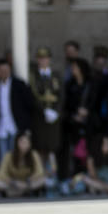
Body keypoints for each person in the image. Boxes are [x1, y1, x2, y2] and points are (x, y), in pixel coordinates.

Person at [0, 59, 36, 165]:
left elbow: (30, 104)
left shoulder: (19, 84)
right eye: (1, 70)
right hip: (1, 126)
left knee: (16, 154)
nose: (4, 73)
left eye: (6, 70)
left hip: (16, 125)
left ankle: (16, 177)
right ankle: (4, 178)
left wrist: (26, 124)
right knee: (2, 156)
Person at [30, 46, 63, 176]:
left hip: (54, 117)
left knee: (52, 148)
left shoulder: (56, 75)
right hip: (40, 117)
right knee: (40, 147)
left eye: (45, 58)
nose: (43, 61)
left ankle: (53, 175)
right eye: (40, 58)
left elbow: (61, 96)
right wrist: (44, 111)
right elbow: (33, 95)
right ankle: (41, 175)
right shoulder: (34, 77)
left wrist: (56, 112)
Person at [0, 130, 45, 197]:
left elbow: (40, 172)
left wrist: (27, 181)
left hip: (28, 183)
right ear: (16, 142)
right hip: (13, 183)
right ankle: (23, 192)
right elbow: (0, 174)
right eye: (22, 142)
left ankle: (15, 193)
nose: (24, 145)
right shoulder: (9, 155)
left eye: (26, 142)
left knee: (43, 180)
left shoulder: (34, 154)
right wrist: (13, 182)